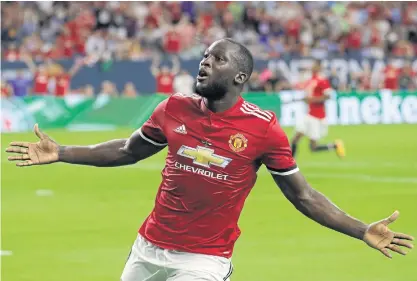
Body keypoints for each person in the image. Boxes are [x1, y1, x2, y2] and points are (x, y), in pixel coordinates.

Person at [6, 39, 414, 281]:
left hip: (203, 261)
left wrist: (361, 230)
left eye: (217, 59)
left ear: (239, 77)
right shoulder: (173, 108)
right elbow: (129, 151)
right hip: (146, 249)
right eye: (204, 56)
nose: (205, 62)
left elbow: (303, 196)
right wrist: (62, 153)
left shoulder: (263, 129)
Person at [291, 61, 345, 158]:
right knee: (295, 139)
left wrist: (311, 100)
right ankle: (290, 162)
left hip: (317, 117)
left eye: (315, 66)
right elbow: (310, 95)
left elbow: (328, 96)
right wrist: (306, 99)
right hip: (309, 115)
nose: (312, 68)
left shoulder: (322, 81)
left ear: (319, 68)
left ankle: (335, 146)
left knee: (313, 147)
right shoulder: (311, 80)